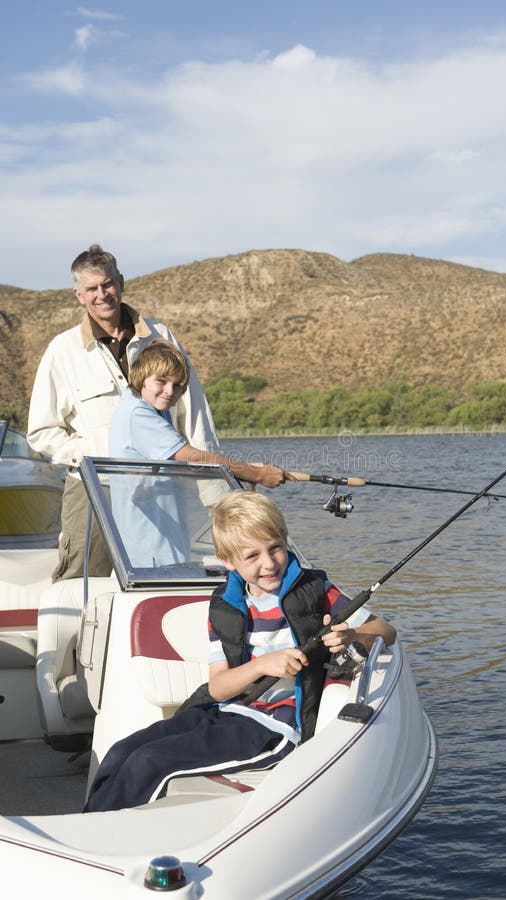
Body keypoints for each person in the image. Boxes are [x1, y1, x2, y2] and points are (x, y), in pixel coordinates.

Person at [83, 491, 396, 812]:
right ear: (227, 560)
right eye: (252, 556)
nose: (269, 562)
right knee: (121, 751)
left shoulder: (316, 590)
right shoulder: (225, 606)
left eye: (275, 547)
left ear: (286, 540)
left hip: (275, 730)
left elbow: (387, 631)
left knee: (148, 762)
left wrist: (352, 635)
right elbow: (218, 687)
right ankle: (86, 830)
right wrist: (265, 665)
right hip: (221, 712)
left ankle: (102, 835)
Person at [26, 244, 285, 581]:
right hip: (95, 487)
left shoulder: (161, 336)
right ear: (78, 295)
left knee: (164, 571)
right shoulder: (62, 350)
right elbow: (42, 432)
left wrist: (216, 494)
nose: (102, 294)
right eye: (92, 288)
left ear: (121, 282)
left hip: (165, 486)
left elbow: (194, 417)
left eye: (107, 284)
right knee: (81, 577)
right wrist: (100, 454)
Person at [108, 339, 287, 567]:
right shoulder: (137, 413)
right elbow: (192, 456)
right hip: (148, 546)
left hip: (165, 539)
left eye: (178, 385)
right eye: (161, 381)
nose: (170, 391)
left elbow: (182, 466)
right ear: (141, 377)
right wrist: (256, 474)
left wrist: (239, 475)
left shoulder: (152, 408)